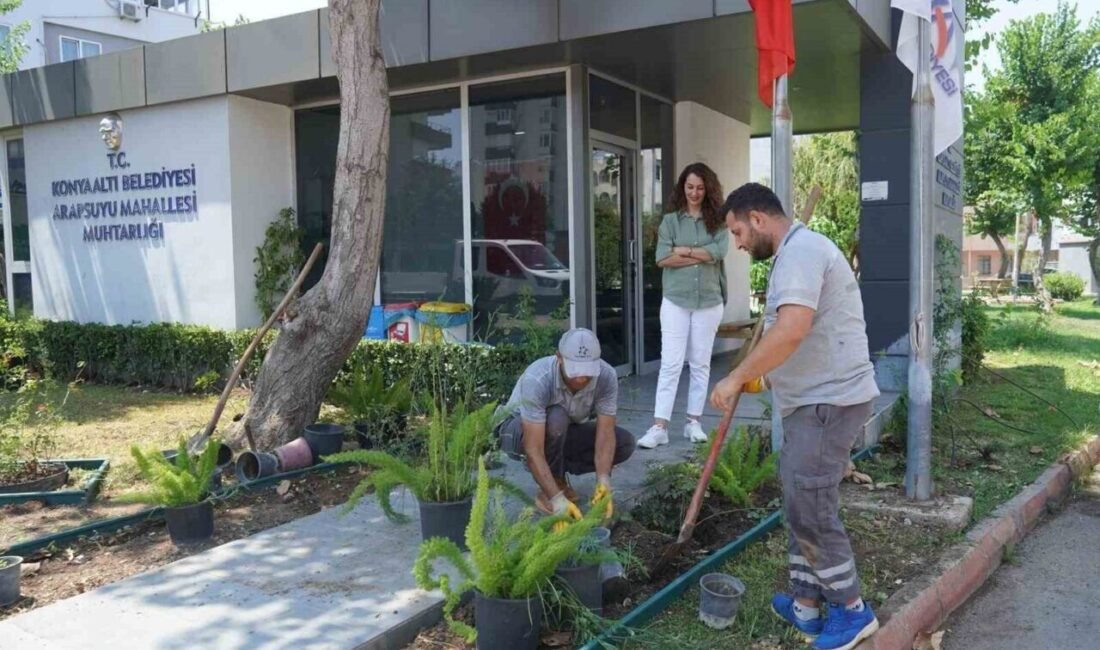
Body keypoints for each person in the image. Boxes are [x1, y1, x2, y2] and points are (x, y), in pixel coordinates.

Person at [709, 183, 880, 650]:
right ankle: (806, 603)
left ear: (758, 219)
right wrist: (768, 377)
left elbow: (790, 330)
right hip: (812, 400)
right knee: (799, 501)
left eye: (737, 231)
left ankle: (851, 611)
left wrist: (734, 376)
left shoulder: (801, 253)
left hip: (828, 403)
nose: (738, 244)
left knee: (813, 508)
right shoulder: (796, 254)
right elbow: (799, 337)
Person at [496, 328, 635, 524]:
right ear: (559, 358)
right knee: (557, 417)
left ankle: (556, 478)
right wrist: (556, 498)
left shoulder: (606, 376)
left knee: (624, 442)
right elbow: (533, 449)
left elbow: (605, 434)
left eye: (587, 371)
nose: (581, 379)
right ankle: (551, 488)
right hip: (516, 432)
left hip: (562, 431)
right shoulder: (538, 378)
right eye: (575, 371)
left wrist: (604, 481)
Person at [637, 162, 730, 449]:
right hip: (676, 300)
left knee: (701, 363)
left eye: (700, 188)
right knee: (671, 363)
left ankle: (693, 423)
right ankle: (659, 427)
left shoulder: (719, 221)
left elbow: (719, 252)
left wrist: (685, 251)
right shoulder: (670, 222)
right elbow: (662, 258)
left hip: (709, 301)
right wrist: (700, 254)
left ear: (708, 189)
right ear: (682, 188)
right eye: (690, 187)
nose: (694, 192)